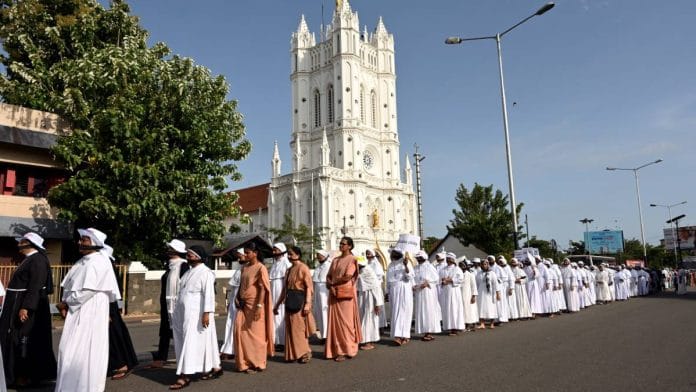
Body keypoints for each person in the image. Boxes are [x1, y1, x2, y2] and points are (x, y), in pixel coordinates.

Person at [55, 228, 121, 392]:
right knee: (69, 350)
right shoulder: (83, 261)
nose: (79, 242)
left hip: (90, 311)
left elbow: (88, 291)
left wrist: (66, 303)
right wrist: (65, 302)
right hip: (78, 310)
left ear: (94, 243)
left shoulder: (99, 261)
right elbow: (71, 286)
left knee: (83, 352)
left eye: (84, 239)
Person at [0, 232, 56, 387]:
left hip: (24, 306)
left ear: (29, 243)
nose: (18, 244)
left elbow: (35, 285)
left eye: (21, 242)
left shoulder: (37, 260)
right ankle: (14, 374)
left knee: (23, 340)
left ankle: (24, 376)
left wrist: (26, 307)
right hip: (17, 303)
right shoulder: (30, 259)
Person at [170, 245, 222, 389]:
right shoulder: (188, 273)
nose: (188, 257)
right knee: (194, 340)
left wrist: (207, 313)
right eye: (187, 255)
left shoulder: (206, 272)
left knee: (190, 341)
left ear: (198, 256)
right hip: (183, 312)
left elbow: (209, 294)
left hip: (195, 312)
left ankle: (184, 375)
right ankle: (214, 367)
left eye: (190, 255)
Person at [148, 239, 190, 368]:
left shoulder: (183, 265)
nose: (168, 251)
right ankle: (161, 357)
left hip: (176, 303)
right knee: (165, 330)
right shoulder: (170, 266)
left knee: (180, 330)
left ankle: (186, 357)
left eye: (171, 249)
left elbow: (185, 285)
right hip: (167, 303)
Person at [234, 242, 274, 373]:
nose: (245, 255)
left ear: (255, 253)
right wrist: (237, 297)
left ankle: (257, 363)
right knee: (240, 332)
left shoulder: (260, 268)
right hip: (243, 304)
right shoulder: (244, 268)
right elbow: (242, 284)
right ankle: (245, 362)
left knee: (256, 335)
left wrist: (258, 306)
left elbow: (263, 289)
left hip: (255, 305)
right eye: (244, 252)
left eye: (247, 252)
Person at [274, 246, 316, 363]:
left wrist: (308, 304)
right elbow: (284, 289)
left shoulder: (303, 268)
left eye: (291, 254)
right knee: (290, 328)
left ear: (298, 255)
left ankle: (305, 353)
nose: (289, 256)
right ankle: (293, 354)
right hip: (289, 300)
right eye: (288, 254)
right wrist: (277, 305)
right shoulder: (289, 270)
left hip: (299, 301)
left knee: (298, 329)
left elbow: (308, 287)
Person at [104, 245, 138, 380]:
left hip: (108, 305)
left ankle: (121, 363)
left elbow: (111, 289)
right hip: (105, 305)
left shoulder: (107, 265)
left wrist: (107, 311)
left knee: (113, 335)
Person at [325, 237, 361, 362]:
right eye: (340, 243)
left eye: (343, 244)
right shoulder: (335, 260)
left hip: (345, 294)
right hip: (334, 293)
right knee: (335, 323)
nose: (341, 245)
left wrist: (334, 282)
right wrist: (329, 284)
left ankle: (347, 350)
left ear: (350, 246)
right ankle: (335, 349)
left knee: (346, 323)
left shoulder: (352, 259)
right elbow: (328, 275)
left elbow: (348, 276)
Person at [220, 248, 245, 358]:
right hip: (234, 301)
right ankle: (229, 349)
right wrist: (230, 301)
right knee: (230, 324)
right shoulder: (239, 269)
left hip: (242, 301)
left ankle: (236, 349)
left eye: (241, 255)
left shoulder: (249, 269)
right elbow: (234, 287)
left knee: (239, 325)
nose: (238, 257)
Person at [386, 248, 414, 346]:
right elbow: (388, 280)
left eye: (393, 253)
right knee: (395, 312)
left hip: (403, 289)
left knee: (404, 312)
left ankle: (404, 335)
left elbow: (410, 277)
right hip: (394, 291)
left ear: (398, 254)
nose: (391, 255)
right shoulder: (390, 265)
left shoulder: (406, 263)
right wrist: (387, 292)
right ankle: (397, 335)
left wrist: (406, 266)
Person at [356, 255, 384, 350]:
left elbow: (376, 287)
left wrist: (378, 304)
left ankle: (368, 342)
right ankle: (364, 340)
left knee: (369, 319)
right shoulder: (361, 271)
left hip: (371, 298)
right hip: (362, 297)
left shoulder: (367, 271)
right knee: (362, 318)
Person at [413, 250, 441, 341]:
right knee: (421, 311)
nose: (418, 259)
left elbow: (436, 279)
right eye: (417, 257)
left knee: (428, 311)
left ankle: (428, 332)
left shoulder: (429, 266)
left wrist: (428, 282)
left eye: (419, 257)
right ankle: (425, 331)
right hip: (419, 292)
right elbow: (413, 279)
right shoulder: (416, 268)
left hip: (428, 292)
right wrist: (414, 286)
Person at [269, 243, 292, 349]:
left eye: (276, 250)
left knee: (281, 316)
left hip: (281, 292)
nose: (274, 252)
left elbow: (287, 281)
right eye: (273, 250)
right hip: (273, 292)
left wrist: (285, 294)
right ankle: (276, 340)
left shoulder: (286, 263)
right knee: (274, 317)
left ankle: (283, 341)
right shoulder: (274, 264)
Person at [439, 252, 465, 335]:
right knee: (447, 309)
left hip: (454, 291)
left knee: (454, 308)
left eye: (450, 259)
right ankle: (448, 327)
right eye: (447, 259)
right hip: (445, 291)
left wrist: (450, 280)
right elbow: (439, 280)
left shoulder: (457, 269)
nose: (448, 260)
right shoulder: (443, 269)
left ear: (453, 260)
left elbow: (460, 279)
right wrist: (443, 281)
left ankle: (455, 328)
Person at [312, 250, 332, 341]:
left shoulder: (329, 265)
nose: (318, 257)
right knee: (318, 313)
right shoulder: (318, 266)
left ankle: (327, 335)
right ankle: (322, 333)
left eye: (320, 256)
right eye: (317, 256)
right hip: (317, 290)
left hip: (325, 291)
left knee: (325, 313)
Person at [365, 249, 387, 330]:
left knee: (378, 305)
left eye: (369, 254)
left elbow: (379, 275)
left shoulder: (376, 264)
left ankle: (380, 326)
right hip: (369, 288)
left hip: (376, 288)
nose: (367, 255)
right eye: (367, 254)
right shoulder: (367, 264)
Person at [476, 258, 500, 329]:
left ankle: (492, 323)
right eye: (482, 264)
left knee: (491, 307)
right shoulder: (478, 274)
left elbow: (496, 284)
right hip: (481, 293)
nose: (484, 265)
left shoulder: (492, 273)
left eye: (485, 264)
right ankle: (482, 323)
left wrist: (498, 293)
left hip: (490, 293)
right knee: (481, 308)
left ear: (488, 265)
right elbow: (477, 284)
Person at [459, 259, 479, 331]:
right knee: (463, 310)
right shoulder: (458, 275)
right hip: (460, 295)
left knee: (470, 310)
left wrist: (473, 296)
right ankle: (464, 325)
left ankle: (471, 324)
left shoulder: (471, 275)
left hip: (468, 295)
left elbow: (474, 286)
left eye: (463, 266)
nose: (461, 267)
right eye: (460, 266)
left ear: (466, 266)